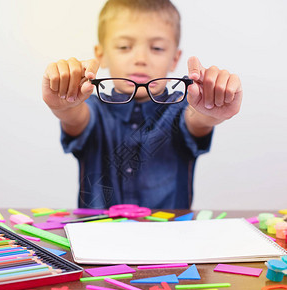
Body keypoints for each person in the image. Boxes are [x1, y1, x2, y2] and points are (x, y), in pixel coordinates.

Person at [42, 0, 242, 209]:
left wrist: (211, 109)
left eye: (156, 48)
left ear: (174, 59)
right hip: (96, 238)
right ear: (101, 56)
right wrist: (63, 105)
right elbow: (74, 115)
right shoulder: (93, 109)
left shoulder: (183, 108)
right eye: (124, 46)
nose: (140, 58)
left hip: (171, 238)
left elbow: (198, 119)